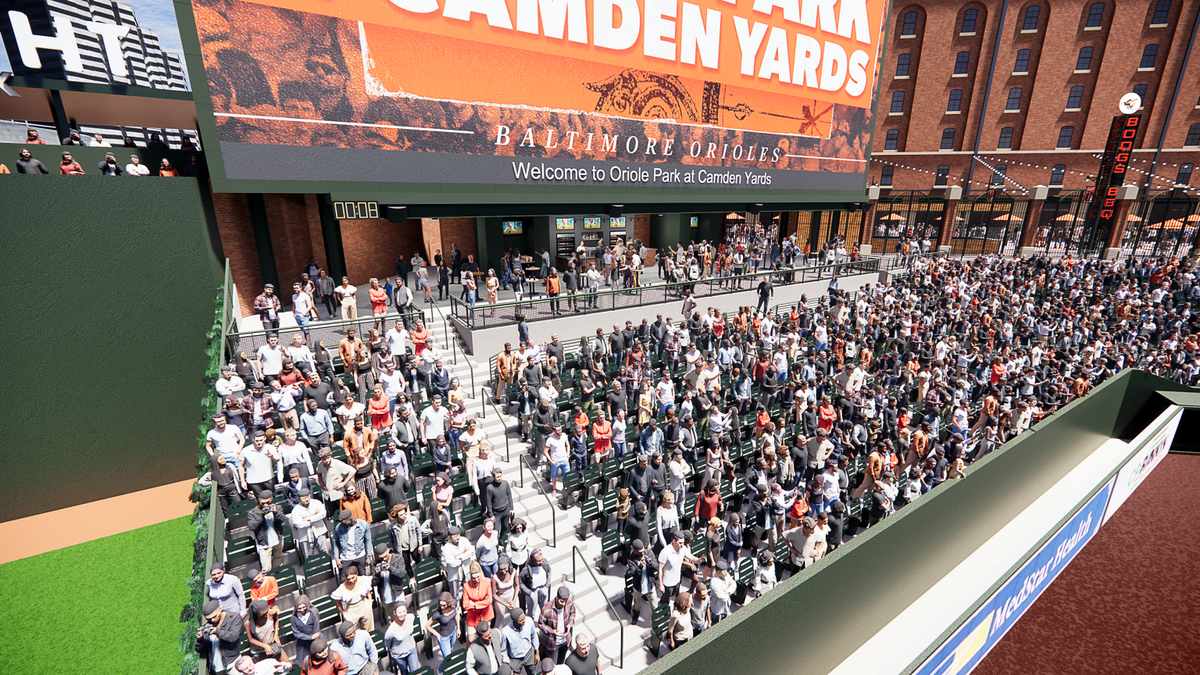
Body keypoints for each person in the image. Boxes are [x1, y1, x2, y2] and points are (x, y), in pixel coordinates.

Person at [196, 600, 244, 673]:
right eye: (208, 619)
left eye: (214, 616)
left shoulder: (233, 618)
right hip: (217, 667)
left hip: (232, 662)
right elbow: (198, 649)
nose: (212, 620)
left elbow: (233, 637)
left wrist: (217, 631)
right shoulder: (207, 626)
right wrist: (200, 639)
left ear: (220, 609)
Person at [658, 531, 700, 607]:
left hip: (677, 580)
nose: (682, 545)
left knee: (673, 594)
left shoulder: (683, 549)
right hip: (668, 583)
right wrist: (661, 584)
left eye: (683, 542)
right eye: (680, 543)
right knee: (666, 599)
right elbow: (660, 568)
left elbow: (691, 557)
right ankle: (663, 608)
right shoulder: (665, 552)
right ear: (674, 541)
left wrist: (698, 560)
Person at [247, 489, 285, 571]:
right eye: (263, 503)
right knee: (266, 568)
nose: (265, 505)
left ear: (271, 499)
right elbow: (252, 527)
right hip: (264, 544)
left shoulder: (277, 508)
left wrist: (275, 512)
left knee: (278, 561)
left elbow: (282, 519)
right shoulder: (253, 513)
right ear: (259, 500)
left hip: (278, 540)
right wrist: (261, 515)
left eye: (267, 502)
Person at [537, 586, 576, 664]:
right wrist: (552, 631)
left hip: (565, 640)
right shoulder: (547, 608)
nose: (564, 604)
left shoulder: (569, 603)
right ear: (557, 596)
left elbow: (573, 612)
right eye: (561, 601)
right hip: (552, 643)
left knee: (560, 663)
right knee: (553, 665)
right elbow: (540, 624)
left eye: (565, 601)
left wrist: (569, 623)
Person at [624, 538, 658, 626]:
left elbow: (657, 567)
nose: (642, 554)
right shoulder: (631, 560)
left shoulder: (649, 553)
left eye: (643, 551)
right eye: (640, 552)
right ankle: (636, 615)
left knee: (654, 606)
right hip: (638, 587)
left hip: (650, 586)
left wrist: (650, 563)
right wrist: (640, 567)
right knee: (637, 604)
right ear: (634, 551)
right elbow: (634, 574)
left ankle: (655, 622)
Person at [246, 599, 290, 665]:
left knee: (288, 664)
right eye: (262, 615)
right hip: (259, 650)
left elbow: (276, 619)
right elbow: (251, 639)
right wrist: (265, 646)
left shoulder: (271, 613)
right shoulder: (249, 622)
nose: (265, 616)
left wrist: (276, 635)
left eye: (266, 613)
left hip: (272, 645)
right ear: (256, 614)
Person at [332, 565, 375, 632]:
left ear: (357, 574)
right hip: (351, 610)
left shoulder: (363, 580)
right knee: (350, 631)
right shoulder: (342, 588)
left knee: (368, 630)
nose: (351, 580)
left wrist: (369, 602)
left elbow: (368, 591)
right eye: (349, 579)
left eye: (353, 577)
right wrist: (344, 613)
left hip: (363, 605)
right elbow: (338, 602)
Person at [332, 509, 373, 579]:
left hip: (360, 555)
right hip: (345, 557)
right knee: (344, 579)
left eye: (344, 523)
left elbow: (368, 540)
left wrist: (369, 556)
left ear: (350, 520)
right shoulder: (338, 528)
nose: (342, 524)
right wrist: (336, 558)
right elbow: (336, 543)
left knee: (362, 577)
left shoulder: (363, 524)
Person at [384, 604, 420, 675]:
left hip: (411, 650)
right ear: (395, 613)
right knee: (404, 672)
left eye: (404, 611)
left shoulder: (411, 617)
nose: (402, 614)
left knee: (415, 671)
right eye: (399, 612)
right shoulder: (390, 631)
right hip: (399, 655)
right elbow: (388, 644)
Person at [500, 607, 539, 675]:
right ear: (514, 621)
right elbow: (503, 650)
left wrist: (537, 653)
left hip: (529, 654)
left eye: (524, 618)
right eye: (521, 620)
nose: (524, 621)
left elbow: (534, 636)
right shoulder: (505, 632)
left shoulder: (529, 621)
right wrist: (508, 664)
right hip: (515, 659)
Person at [426, 592, 460, 664]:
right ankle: (440, 670)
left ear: (449, 603)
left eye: (444, 605)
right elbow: (427, 625)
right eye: (440, 605)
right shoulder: (438, 613)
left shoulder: (454, 603)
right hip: (444, 638)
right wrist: (437, 635)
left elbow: (456, 614)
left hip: (454, 631)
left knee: (450, 651)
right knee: (447, 658)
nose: (442, 607)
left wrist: (458, 628)